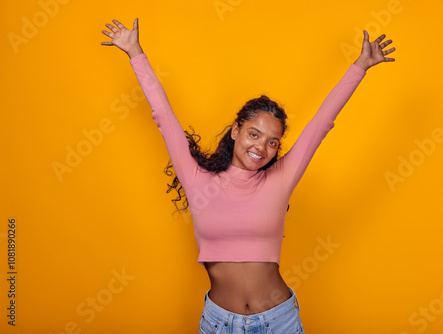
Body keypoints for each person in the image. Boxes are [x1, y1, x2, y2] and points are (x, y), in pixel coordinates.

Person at [101, 17, 395, 334]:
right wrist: (135, 52)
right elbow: (164, 117)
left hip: (279, 320)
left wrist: (360, 66)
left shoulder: (280, 180)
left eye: (272, 142)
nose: (261, 147)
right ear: (235, 130)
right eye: (253, 134)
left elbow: (322, 123)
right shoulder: (197, 178)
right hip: (218, 323)